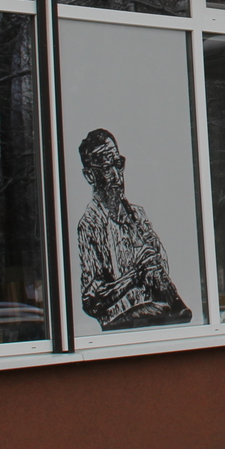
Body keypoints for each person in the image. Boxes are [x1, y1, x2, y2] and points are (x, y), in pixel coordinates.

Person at [75, 129, 193, 329]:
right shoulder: (90, 224)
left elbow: (161, 266)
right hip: (121, 327)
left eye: (118, 164)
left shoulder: (137, 214)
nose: (116, 176)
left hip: (154, 317)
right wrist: (136, 275)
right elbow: (91, 302)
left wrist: (153, 262)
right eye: (106, 167)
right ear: (90, 175)